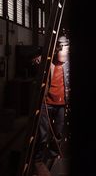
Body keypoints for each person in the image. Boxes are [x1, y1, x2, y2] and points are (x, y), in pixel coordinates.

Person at [32, 34, 70, 176]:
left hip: (61, 104)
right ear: (56, 51)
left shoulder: (68, 64)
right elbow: (33, 61)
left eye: (67, 52)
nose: (65, 56)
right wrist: (37, 61)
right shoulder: (48, 62)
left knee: (58, 133)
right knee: (42, 134)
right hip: (46, 104)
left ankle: (54, 156)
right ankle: (37, 160)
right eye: (63, 52)